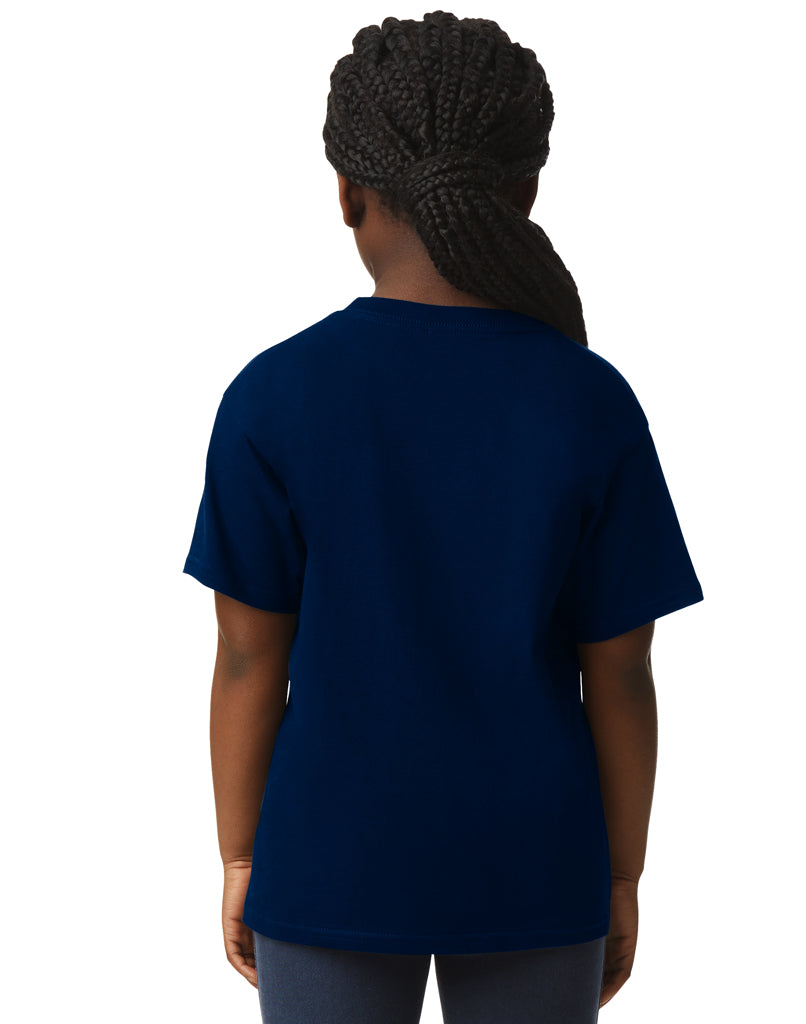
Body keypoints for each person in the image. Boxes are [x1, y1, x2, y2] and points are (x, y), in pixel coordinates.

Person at [183, 11, 704, 1023]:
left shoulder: (273, 397)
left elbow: (248, 657)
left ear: (346, 193)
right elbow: (621, 671)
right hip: (537, 862)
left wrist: (242, 854)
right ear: (527, 193)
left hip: (327, 857)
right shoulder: (589, 400)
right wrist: (621, 871)